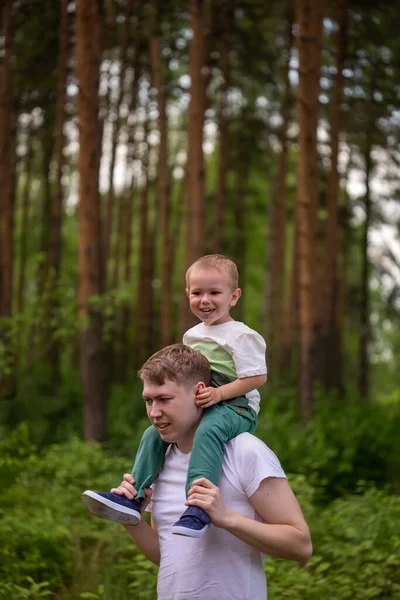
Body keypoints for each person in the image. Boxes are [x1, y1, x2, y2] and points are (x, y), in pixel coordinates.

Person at [82, 254, 267, 537]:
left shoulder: (240, 335)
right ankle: (134, 496)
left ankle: (198, 504)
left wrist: (219, 394)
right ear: (187, 294)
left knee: (208, 430)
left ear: (234, 296)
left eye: (215, 293)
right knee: (151, 434)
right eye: (197, 293)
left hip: (236, 407)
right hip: (205, 402)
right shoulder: (192, 335)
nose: (205, 300)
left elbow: (257, 377)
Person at [109, 345, 312, 600]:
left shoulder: (246, 452)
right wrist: (132, 519)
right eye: (148, 400)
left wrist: (226, 518)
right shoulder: (160, 459)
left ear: (199, 393)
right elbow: (169, 555)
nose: (154, 412)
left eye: (164, 399)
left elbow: (301, 546)